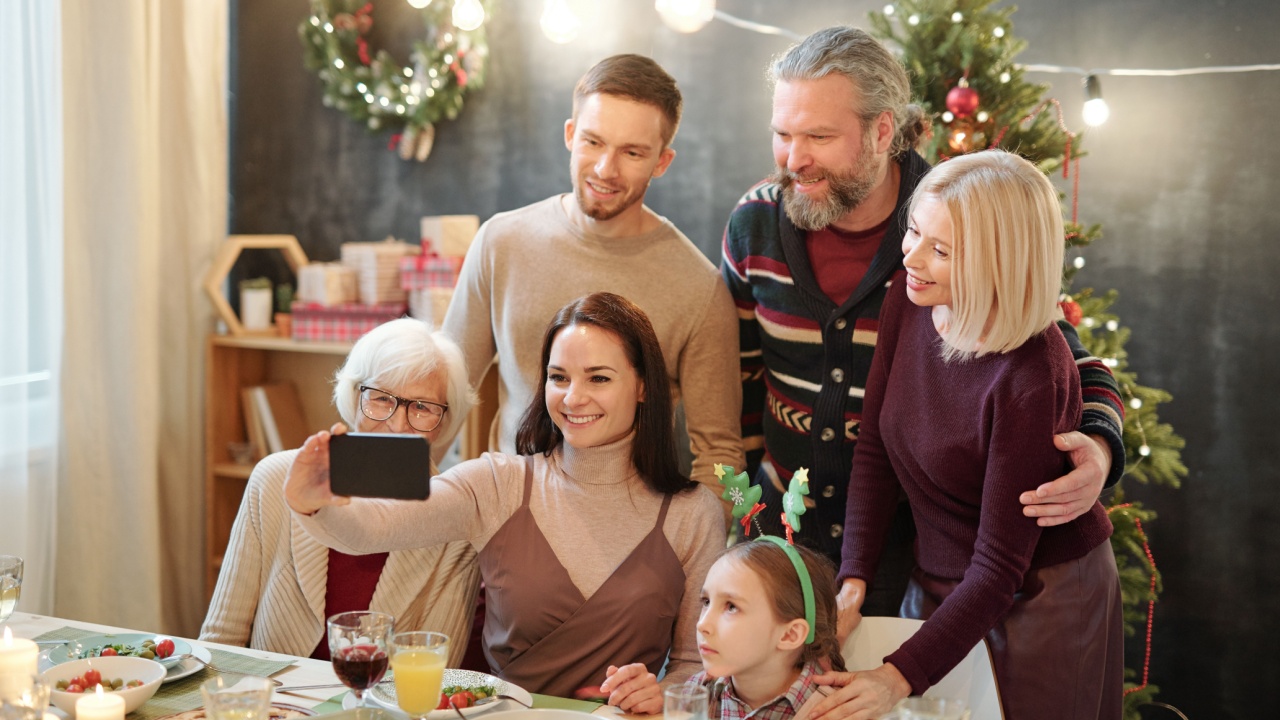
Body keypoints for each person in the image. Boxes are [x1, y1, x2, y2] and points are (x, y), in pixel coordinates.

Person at [719, 26, 1126, 617]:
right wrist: (741, 522)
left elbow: (1065, 358)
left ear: (883, 130)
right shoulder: (753, 223)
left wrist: (1097, 447)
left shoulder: (951, 219)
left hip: (908, 561)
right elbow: (739, 382)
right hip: (779, 538)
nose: (794, 158)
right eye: (783, 134)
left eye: (819, 136)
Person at [285, 292, 726, 711]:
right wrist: (316, 504)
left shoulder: (693, 514)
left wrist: (661, 695)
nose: (573, 397)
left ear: (644, 386)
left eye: (599, 378)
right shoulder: (499, 483)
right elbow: (374, 527)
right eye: (558, 378)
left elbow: (697, 668)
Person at [832, 150, 1123, 719]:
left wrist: (896, 677)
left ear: (1001, 263)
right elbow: (873, 451)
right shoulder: (908, 301)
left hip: (1041, 598)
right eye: (914, 232)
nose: (911, 258)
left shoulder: (1030, 372)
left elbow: (997, 569)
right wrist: (854, 577)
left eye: (941, 250)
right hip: (943, 582)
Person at [443, 53, 743, 495]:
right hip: (505, 522)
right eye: (593, 142)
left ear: (662, 161)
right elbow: (442, 392)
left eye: (632, 152)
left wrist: (688, 551)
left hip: (632, 540)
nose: (606, 169)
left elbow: (720, 455)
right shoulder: (500, 242)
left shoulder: (699, 289)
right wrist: (394, 514)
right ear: (570, 134)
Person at [199, 319, 480, 666]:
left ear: (444, 422)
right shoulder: (274, 481)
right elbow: (220, 642)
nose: (397, 424)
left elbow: (434, 675)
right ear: (354, 395)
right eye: (380, 398)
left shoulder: (457, 520)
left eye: (421, 407)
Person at [685, 539, 845, 720]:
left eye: (731, 607)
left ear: (790, 635)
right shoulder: (696, 692)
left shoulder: (837, 711)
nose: (702, 624)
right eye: (706, 602)